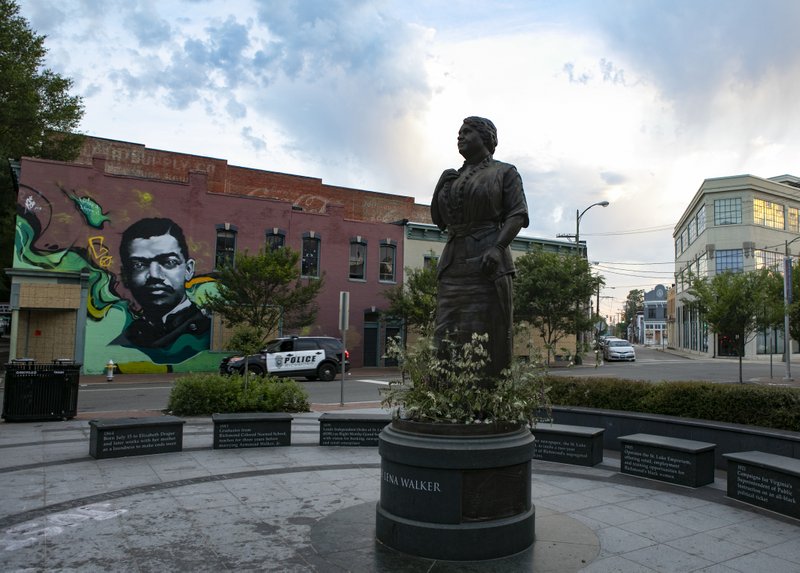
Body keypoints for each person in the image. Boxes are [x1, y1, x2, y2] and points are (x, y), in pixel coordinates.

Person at [431, 116, 529, 381]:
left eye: (467, 132)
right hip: (454, 262)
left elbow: (518, 214)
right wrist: (441, 185)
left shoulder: (504, 172)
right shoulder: (452, 177)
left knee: (489, 330)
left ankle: (489, 396)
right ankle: (443, 392)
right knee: (445, 333)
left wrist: (498, 247)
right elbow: (438, 220)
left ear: (485, 138)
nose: (460, 136)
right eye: (459, 132)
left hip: (488, 262)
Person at [113, 217, 210, 348]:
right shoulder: (129, 335)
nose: (154, 275)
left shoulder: (205, 328)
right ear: (125, 276)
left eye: (169, 262)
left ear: (188, 269)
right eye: (139, 265)